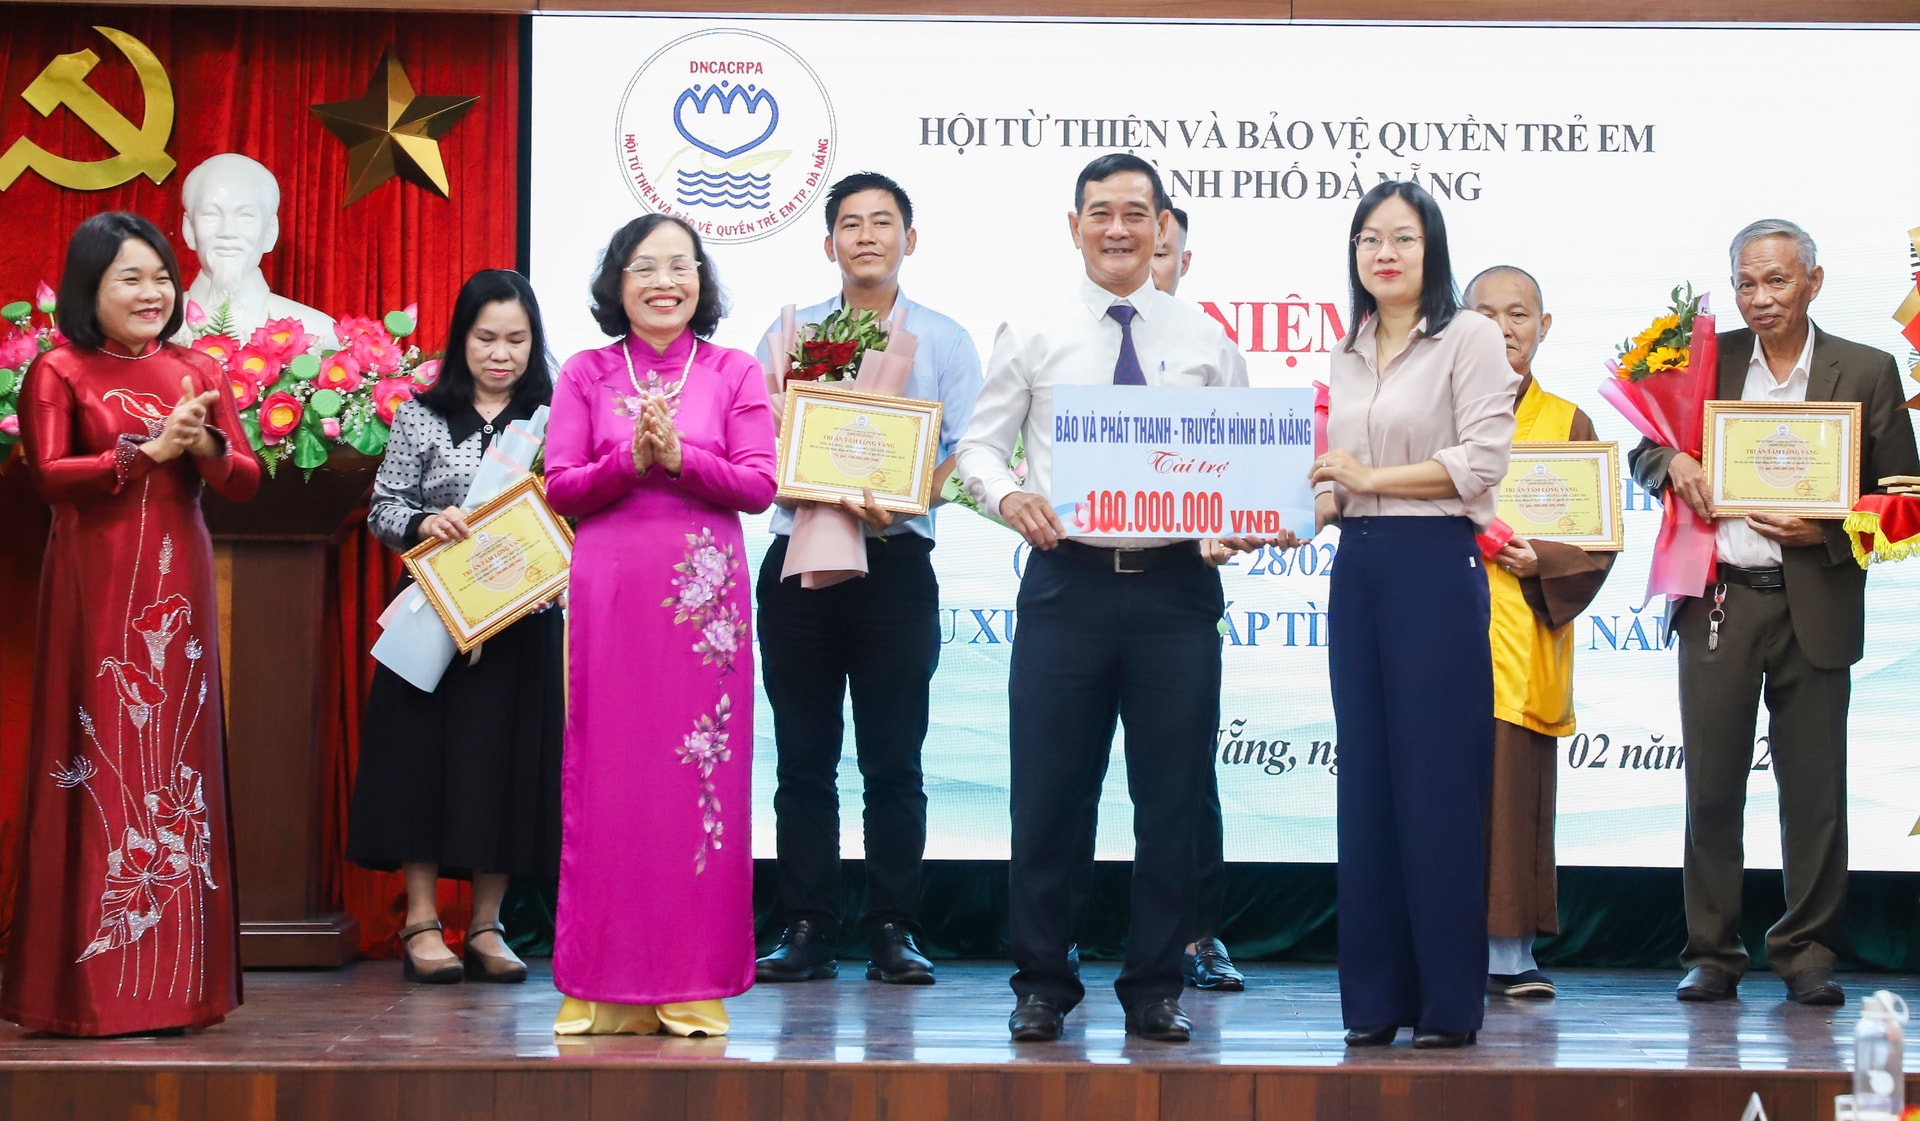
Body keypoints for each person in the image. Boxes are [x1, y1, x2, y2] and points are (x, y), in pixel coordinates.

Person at [958, 153, 1277, 1045]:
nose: (1118, 228)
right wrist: (1005, 495)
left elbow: (1241, 468)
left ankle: (1155, 987)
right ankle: (1042, 983)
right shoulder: (1033, 330)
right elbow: (978, 446)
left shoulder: (1208, 340)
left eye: (1136, 212)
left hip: (1177, 590)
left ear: (1161, 227)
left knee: (1172, 799)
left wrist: (1232, 523)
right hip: (1067, 582)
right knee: (1049, 795)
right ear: (1075, 226)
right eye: (1101, 211)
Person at [1628, 219, 1920, 1007]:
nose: (1761, 297)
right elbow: (1641, 450)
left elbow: (1905, 503)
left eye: (1778, 281)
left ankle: (1808, 952)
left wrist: (1824, 530)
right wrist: (1671, 460)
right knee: (1711, 788)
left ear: (1814, 283)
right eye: (1747, 283)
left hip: (1816, 599)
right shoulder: (1702, 360)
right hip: (1719, 600)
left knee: (1816, 792)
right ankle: (1711, 952)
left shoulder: (1867, 368)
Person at [1, 211, 259, 1036]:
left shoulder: (197, 367)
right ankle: (81, 991)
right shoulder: (58, 369)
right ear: (91, 287)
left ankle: (180, 988)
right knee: (99, 751)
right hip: (94, 583)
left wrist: (205, 444)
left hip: (177, 586)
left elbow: (245, 478)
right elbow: (49, 476)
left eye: (160, 277)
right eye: (130, 278)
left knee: (173, 754)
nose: (153, 293)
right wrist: (143, 453)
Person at [545, 215, 777, 1037]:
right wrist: (630, 461)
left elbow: (758, 485)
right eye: (645, 266)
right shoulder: (586, 371)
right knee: (608, 779)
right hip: (610, 593)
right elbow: (561, 487)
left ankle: (691, 975)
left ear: (700, 281)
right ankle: (600, 980)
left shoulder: (733, 370)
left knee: (694, 783)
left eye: (681, 265)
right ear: (618, 282)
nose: (664, 281)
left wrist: (680, 459)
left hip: (703, 606)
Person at [752, 172, 982, 987]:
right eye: (851, 224)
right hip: (799, 565)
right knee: (802, 761)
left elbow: (972, 452)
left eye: (883, 222)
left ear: (908, 240)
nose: (867, 236)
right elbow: (759, 444)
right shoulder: (790, 332)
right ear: (830, 244)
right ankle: (807, 925)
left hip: (895, 567)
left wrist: (909, 495)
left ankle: (894, 926)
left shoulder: (945, 340)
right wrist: (802, 477)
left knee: (894, 761)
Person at [1310, 181, 1518, 1050]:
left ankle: (1447, 1003)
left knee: (1436, 785)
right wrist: (1268, 520)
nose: (1383, 252)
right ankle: (1374, 998)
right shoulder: (1348, 348)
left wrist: (1370, 479)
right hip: (1358, 567)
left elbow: (1483, 459)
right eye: (1368, 238)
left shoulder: (1469, 335)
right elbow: (1336, 483)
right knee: (1366, 785)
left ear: (1431, 246)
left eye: (1401, 236)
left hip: (1435, 564)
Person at [346, 269, 563, 985]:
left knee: (505, 764)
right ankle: (419, 920)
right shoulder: (422, 415)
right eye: (486, 338)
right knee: (420, 761)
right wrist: (422, 522)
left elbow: (575, 506)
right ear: (461, 338)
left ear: (534, 342)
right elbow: (383, 506)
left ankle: (487, 925)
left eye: (517, 340)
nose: (502, 354)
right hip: (435, 611)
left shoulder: (553, 418)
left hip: (521, 616)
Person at [1464, 266, 1616, 1000]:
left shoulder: (1567, 424)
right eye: (1486, 314)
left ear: (1544, 326)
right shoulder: (1434, 413)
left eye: (1518, 314)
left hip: (1523, 640)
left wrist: (1541, 559)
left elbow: (1596, 543)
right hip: (1440, 631)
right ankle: (1432, 945)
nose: (1503, 329)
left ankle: (1507, 952)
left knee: (1512, 794)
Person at [175, 153, 336, 345]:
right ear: (188, 229)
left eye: (246, 216)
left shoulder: (320, 333)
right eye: (211, 215)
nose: (227, 232)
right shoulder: (154, 331)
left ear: (270, 231)